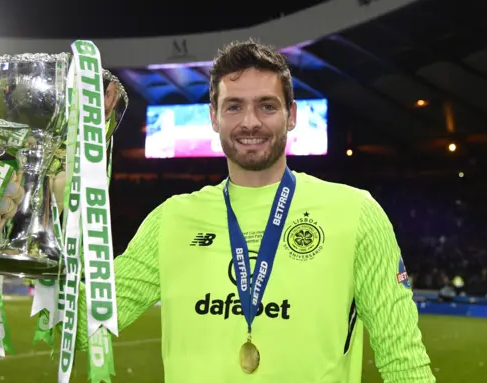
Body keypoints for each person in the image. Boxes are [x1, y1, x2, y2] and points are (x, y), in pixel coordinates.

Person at [105, 39, 435, 382]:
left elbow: (404, 362)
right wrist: (55, 198)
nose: (250, 122)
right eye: (234, 107)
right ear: (214, 117)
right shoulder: (170, 220)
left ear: (291, 115)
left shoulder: (356, 213)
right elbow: (88, 320)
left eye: (267, 106)